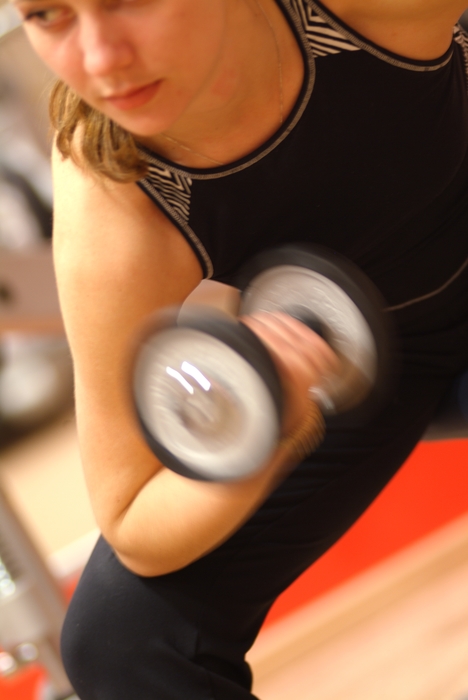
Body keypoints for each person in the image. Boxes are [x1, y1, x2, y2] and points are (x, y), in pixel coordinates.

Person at [14, 0, 468, 697]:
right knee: (120, 636)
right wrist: (265, 434)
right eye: (49, 15)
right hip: (355, 372)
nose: (100, 59)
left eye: (129, 0)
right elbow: (133, 518)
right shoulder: (119, 190)